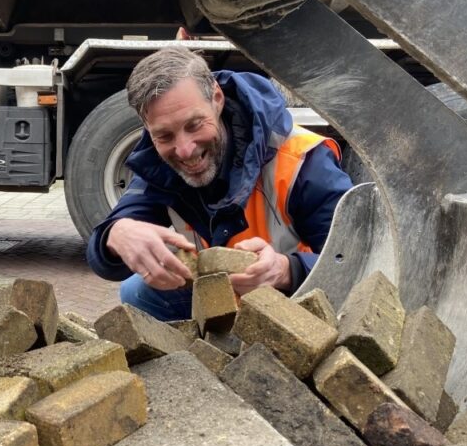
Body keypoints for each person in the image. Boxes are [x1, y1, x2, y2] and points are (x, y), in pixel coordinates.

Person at [85, 46, 353, 321]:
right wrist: (117, 234)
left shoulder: (303, 161)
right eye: (165, 136)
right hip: (221, 299)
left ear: (217, 98)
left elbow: (358, 261)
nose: (185, 150)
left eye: (194, 125)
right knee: (136, 291)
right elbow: (102, 257)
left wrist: (287, 271)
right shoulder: (161, 165)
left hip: (297, 300)